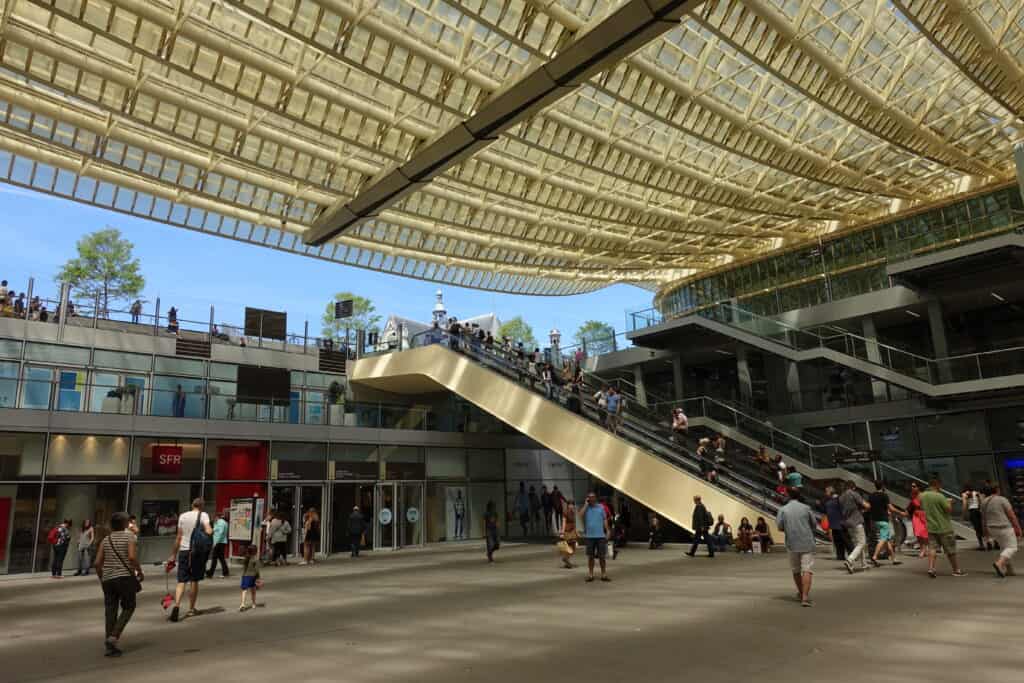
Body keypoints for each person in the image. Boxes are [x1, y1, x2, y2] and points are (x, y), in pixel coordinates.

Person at [95, 512, 140, 657]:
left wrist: (102, 578)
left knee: (110, 611)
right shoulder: (129, 537)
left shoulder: (106, 539)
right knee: (129, 606)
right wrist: (139, 571)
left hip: (108, 579)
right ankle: (114, 636)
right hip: (124, 578)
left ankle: (110, 646)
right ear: (125, 524)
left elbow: (97, 563)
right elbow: (132, 557)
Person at [167, 498, 213, 622]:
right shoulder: (204, 515)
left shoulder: (183, 516)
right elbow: (209, 530)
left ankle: (176, 606)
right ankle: (191, 609)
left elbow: (178, 537)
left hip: (183, 551)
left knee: (181, 581)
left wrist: (173, 555)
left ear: (192, 505)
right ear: (202, 506)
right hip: (196, 552)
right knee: (194, 580)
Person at [776, 488, 817, 607]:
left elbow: (779, 527)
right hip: (807, 542)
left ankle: (800, 592)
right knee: (807, 569)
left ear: (788, 496)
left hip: (791, 543)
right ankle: (805, 597)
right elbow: (814, 524)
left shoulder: (783, 509)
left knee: (796, 570)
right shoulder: (806, 508)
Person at [921, 476, 966, 578]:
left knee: (932, 548)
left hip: (931, 527)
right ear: (937, 484)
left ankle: (931, 568)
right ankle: (956, 570)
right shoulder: (940, 496)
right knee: (950, 550)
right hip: (944, 527)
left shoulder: (923, 496)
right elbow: (948, 510)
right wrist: (949, 502)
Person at [982, 483, 1021, 578]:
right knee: (1012, 547)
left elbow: (983, 518)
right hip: (1004, 527)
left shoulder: (984, 502)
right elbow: (1011, 515)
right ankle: (999, 563)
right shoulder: (1002, 500)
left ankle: (1009, 570)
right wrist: (1017, 527)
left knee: (1004, 547)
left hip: (992, 528)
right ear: (996, 490)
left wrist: (985, 532)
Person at [868, 481, 905, 567]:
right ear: (882, 486)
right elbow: (891, 508)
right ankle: (874, 557)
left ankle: (894, 559)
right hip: (883, 521)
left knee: (887, 540)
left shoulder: (871, 495)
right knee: (883, 539)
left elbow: (869, 507)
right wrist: (901, 512)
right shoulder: (884, 495)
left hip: (874, 521)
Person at [839, 480, 871, 574]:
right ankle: (850, 560)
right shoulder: (854, 494)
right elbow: (866, 505)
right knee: (862, 543)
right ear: (853, 487)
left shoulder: (841, 497)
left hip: (848, 523)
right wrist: (868, 506)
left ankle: (863, 564)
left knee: (857, 544)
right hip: (856, 521)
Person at [580, 492, 611, 582]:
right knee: (590, 557)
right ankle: (591, 575)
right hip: (590, 536)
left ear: (595, 498)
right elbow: (580, 515)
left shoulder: (601, 507)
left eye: (593, 497)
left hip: (600, 536)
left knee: (602, 556)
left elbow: (604, 519)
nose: (591, 499)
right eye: (589, 497)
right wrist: (585, 505)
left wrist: (607, 530)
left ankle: (603, 574)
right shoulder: (586, 508)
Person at [822, 486, 847, 561]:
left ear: (830, 492)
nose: (825, 493)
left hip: (840, 523)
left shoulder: (838, 500)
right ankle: (840, 556)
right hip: (834, 524)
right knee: (838, 541)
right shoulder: (828, 501)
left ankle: (851, 555)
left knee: (844, 540)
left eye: (826, 492)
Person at [906, 482, 929, 557]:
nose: (912, 488)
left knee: (924, 533)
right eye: (912, 486)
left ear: (918, 487)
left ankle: (925, 549)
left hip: (924, 514)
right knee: (918, 533)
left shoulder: (924, 495)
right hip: (916, 516)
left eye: (914, 486)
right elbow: (911, 505)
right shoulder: (912, 495)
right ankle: (922, 549)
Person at [961, 484, 987, 550]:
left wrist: (963, 514)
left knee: (977, 528)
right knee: (982, 527)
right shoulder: (976, 493)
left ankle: (981, 545)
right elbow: (981, 501)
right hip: (979, 510)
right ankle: (990, 542)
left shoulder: (964, 494)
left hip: (972, 512)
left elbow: (964, 504)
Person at [206, 512, 230, 578]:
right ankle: (225, 571)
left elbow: (220, 533)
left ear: (217, 517)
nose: (214, 519)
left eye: (214, 518)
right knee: (221, 558)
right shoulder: (224, 522)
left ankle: (210, 573)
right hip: (222, 542)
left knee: (214, 558)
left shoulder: (220, 523)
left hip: (218, 543)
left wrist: (215, 543)